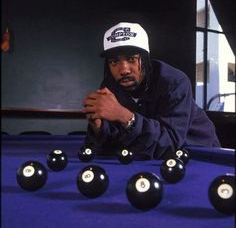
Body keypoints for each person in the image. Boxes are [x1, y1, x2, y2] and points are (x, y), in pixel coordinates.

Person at [81, 22, 220, 159]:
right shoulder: (110, 85)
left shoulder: (174, 82)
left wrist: (124, 116)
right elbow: (112, 143)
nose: (123, 70)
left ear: (146, 59)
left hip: (199, 151)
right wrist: (99, 128)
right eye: (114, 62)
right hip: (146, 154)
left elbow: (170, 142)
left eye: (131, 59)